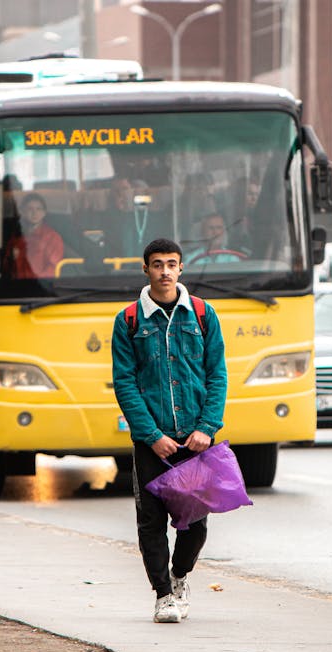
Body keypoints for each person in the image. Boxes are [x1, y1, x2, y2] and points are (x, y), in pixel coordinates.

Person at [112, 238, 227, 623]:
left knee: (195, 525)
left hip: (194, 440)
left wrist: (207, 428)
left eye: (171, 264)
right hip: (152, 442)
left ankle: (180, 576)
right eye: (157, 264)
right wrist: (151, 435)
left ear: (181, 269)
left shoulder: (202, 314)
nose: (164, 271)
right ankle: (162, 594)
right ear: (145, 269)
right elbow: (124, 382)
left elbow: (217, 374)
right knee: (151, 521)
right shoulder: (129, 320)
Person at [2, 192, 64, 278]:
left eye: (39, 209)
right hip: (15, 287)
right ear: (23, 212)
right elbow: (6, 269)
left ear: (44, 213)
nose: (34, 213)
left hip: (39, 287)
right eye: (30, 209)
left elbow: (52, 269)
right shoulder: (16, 238)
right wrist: (12, 259)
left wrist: (35, 284)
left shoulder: (52, 237)